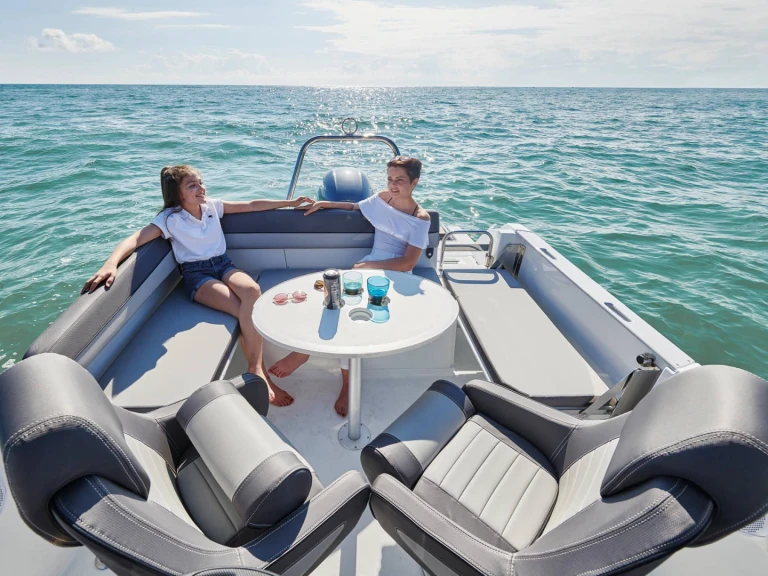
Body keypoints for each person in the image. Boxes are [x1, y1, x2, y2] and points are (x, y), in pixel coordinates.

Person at [81, 164, 313, 407]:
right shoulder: (169, 219)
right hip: (197, 275)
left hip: (223, 265)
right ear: (178, 194)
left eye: (201, 182)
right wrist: (111, 264)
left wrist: (289, 203)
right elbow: (135, 239)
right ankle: (258, 372)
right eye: (192, 185)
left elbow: (252, 205)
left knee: (253, 292)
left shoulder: (212, 206)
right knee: (242, 309)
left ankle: (256, 371)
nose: (201, 188)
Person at [268, 156, 431, 416]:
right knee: (330, 296)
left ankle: (339, 380)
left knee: (343, 307)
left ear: (415, 182)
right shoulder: (383, 199)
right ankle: (303, 352)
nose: (393, 185)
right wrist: (325, 204)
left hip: (394, 275)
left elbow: (407, 261)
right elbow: (356, 207)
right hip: (369, 266)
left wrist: (367, 268)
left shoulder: (420, 218)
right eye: (390, 179)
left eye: (400, 180)